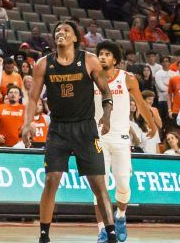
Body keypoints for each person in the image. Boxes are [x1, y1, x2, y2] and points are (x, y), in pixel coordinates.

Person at [24, 21, 117, 243]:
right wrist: (27, 123)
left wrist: (107, 114)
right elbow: (33, 98)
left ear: (75, 38)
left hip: (86, 128)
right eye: (57, 31)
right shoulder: (43, 64)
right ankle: (44, 234)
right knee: (51, 180)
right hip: (58, 129)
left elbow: (106, 92)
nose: (60, 33)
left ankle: (111, 233)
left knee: (98, 184)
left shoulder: (89, 60)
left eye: (66, 31)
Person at [94, 41, 160, 243]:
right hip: (98, 138)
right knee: (99, 187)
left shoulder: (127, 78)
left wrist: (152, 124)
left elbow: (140, 103)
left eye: (107, 54)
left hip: (121, 138)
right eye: (100, 54)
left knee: (123, 183)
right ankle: (102, 230)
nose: (103, 57)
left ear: (115, 59)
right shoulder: (91, 78)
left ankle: (121, 216)